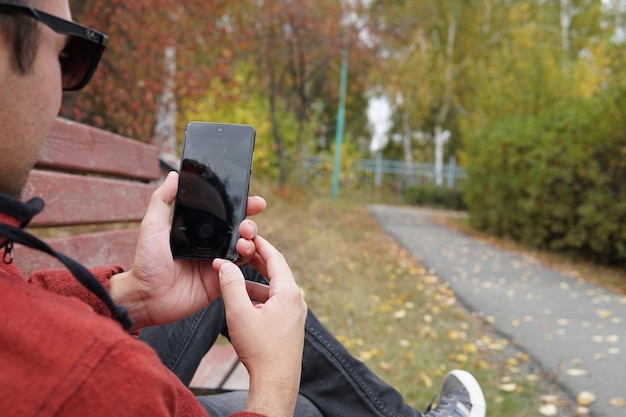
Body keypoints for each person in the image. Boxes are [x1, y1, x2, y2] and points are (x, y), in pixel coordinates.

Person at [0, 1, 487, 417]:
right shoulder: (85, 377)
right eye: (69, 55)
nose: (64, 90)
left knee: (219, 269)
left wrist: (130, 292)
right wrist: (272, 386)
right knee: (297, 405)